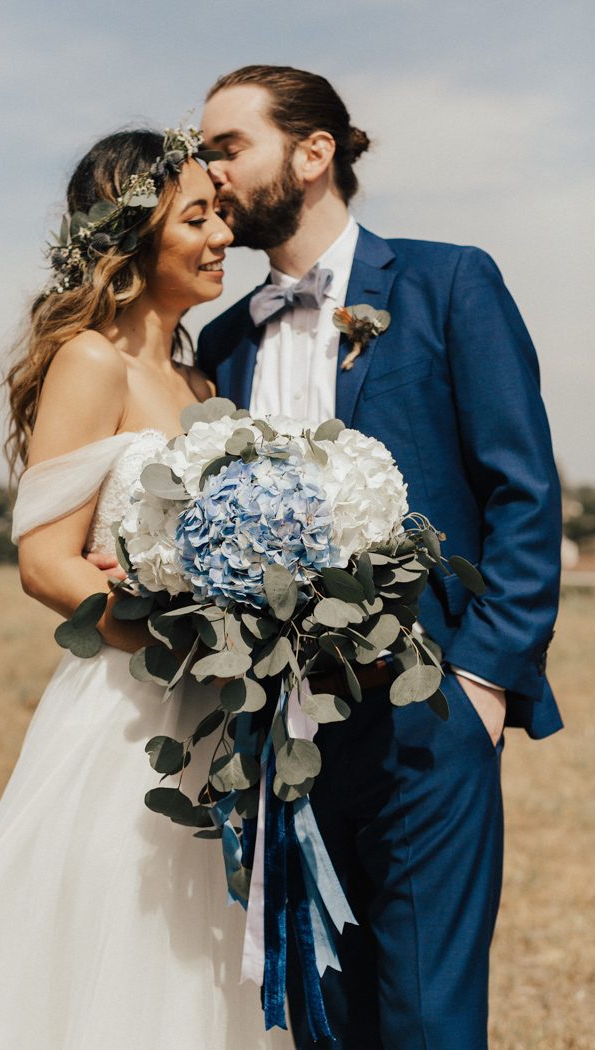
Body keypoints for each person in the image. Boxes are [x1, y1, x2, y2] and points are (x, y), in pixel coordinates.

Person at [0, 127, 291, 1049]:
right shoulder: (91, 362)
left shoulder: (199, 379)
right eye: (196, 216)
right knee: (117, 936)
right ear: (131, 240)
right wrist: (168, 632)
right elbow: (44, 558)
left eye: (221, 213)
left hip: (219, 711)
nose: (220, 234)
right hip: (126, 711)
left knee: (204, 955)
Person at [196, 65, 563, 1049]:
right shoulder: (223, 341)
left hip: (429, 719)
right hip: (284, 740)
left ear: (312, 155)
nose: (205, 172)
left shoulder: (450, 283)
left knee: (428, 1022)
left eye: (226, 146)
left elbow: (521, 491)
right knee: (324, 1018)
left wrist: (481, 683)